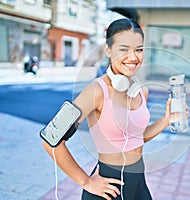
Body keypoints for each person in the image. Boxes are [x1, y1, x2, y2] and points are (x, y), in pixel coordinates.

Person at [42, 18, 180, 200]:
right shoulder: (96, 90)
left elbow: (135, 139)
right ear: (108, 50)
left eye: (139, 50)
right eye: (124, 49)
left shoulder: (140, 91)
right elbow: (50, 140)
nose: (133, 57)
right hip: (108, 190)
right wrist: (86, 182)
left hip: (139, 185)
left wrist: (166, 121)